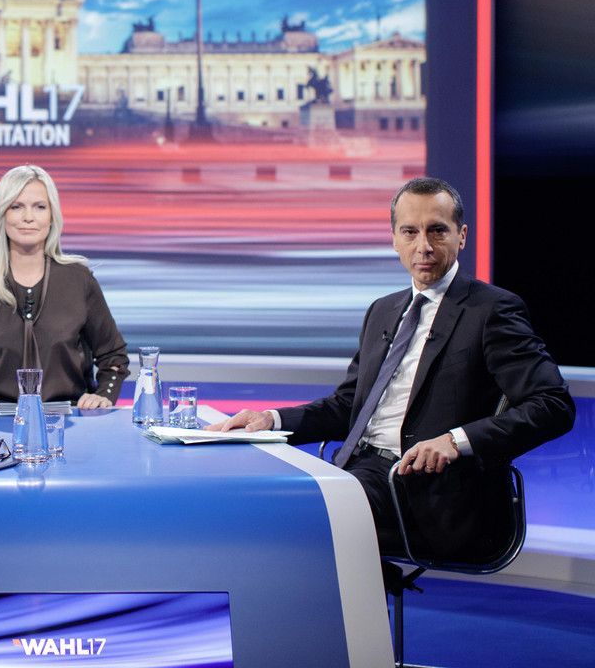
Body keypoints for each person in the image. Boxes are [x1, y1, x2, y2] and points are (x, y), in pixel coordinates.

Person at [208, 177, 575, 559]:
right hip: (359, 472)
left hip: (429, 493)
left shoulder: (491, 311)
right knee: (257, 499)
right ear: (395, 240)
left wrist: (455, 441)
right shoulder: (383, 310)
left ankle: (359, 593)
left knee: (296, 520)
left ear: (462, 236)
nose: (424, 246)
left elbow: (553, 405)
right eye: (410, 232)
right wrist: (271, 420)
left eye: (437, 231)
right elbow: (349, 406)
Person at [0, 165, 129, 411]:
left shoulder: (80, 280)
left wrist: (103, 396)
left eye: (40, 207)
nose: (28, 217)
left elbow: (114, 357)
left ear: (52, 216)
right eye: (16, 207)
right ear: (2, 215)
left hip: (67, 419)